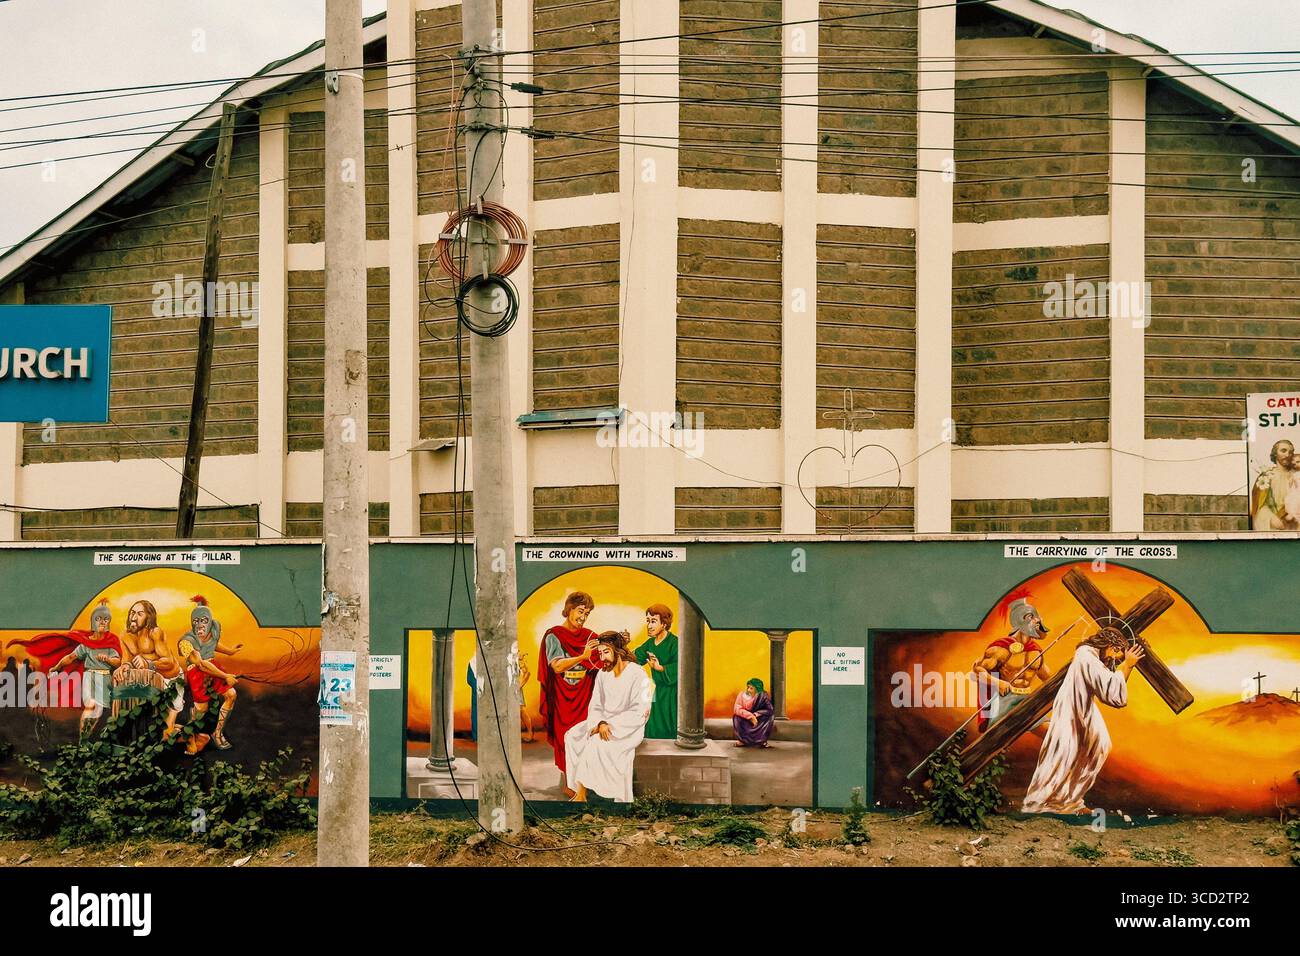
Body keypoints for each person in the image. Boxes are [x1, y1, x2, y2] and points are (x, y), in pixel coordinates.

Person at [1021, 628, 1144, 814]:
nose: (1114, 659)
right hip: (1072, 708)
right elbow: (1111, 692)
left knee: (1099, 744)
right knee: (1064, 751)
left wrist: (1126, 665)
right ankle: (1039, 802)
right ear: (1110, 645)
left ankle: (1070, 801)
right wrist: (1127, 665)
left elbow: (1111, 689)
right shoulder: (1086, 655)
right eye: (1116, 653)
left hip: (1083, 706)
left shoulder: (1092, 657)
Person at [564, 631, 653, 803]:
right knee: (572, 736)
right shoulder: (603, 673)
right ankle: (580, 790)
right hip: (602, 722)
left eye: (606, 652)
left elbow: (640, 711)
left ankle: (581, 795)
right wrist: (600, 722)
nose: (602, 657)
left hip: (627, 728)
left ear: (618, 651)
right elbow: (595, 705)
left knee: (595, 743)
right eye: (600, 653)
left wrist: (609, 725)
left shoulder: (638, 674)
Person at [537, 591, 599, 793]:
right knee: (565, 738)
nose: (583, 617)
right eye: (580, 611)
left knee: (584, 738)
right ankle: (569, 783)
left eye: (587, 613)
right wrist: (583, 657)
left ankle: (582, 784)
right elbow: (556, 666)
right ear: (569, 609)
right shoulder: (554, 635)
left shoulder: (590, 636)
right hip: (562, 698)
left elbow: (600, 661)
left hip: (585, 696)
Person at [973, 596, 1052, 732]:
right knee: (1050, 731)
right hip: (1004, 702)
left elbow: (1048, 679)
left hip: (1026, 700)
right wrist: (998, 683)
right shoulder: (1000, 649)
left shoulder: (1036, 652)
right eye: (1031, 617)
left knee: (1055, 730)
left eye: (1037, 617)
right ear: (1021, 621)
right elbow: (977, 671)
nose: (1037, 621)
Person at [177, 596, 243, 753]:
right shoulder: (186, 642)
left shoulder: (212, 631)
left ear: (210, 621)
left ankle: (217, 733)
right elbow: (201, 665)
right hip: (198, 673)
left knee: (231, 694)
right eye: (196, 621)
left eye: (204, 620)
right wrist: (225, 676)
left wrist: (230, 651)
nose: (199, 625)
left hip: (214, 668)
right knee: (201, 710)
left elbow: (212, 643)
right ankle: (192, 736)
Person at [48, 601, 122, 741]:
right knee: (90, 705)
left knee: (99, 711)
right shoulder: (86, 644)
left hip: (105, 679)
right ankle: (83, 740)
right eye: (98, 618)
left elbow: (118, 662)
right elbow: (70, 657)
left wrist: (107, 659)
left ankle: (86, 739)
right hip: (90, 677)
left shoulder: (112, 641)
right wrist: (57, 668)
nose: (102, 622)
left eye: (105, 619)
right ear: (93, 621)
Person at [117, 599, 184, 740]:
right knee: (153, 727)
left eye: (139, 614)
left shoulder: (155, 632)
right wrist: (123, 667)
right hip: (149, 683)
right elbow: (126, 659)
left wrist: (148, 664)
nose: (133, 618)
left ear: (148, 617)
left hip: (171, 681)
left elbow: (169, 663)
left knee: (166, 735)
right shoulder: (124, 635)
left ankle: (194, 736)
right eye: (132, 613)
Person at [633, 603, 678, 739]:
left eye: (653, 621)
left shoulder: (675, 643)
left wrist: (661, 668)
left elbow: (682, 667)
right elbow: (634, 657)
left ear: (664, 624)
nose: (649, 625)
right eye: (648, 621)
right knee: (653, 728)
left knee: (670, 727)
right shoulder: (650, 643)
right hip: (657, 692)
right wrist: (622, 644)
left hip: (672, 694)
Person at [1251, 439, 1298, 530]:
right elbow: (1259, 506)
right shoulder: (1266, 477)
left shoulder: (1297, 476)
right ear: (1275, 453)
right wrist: (1271, 518)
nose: (1287, 455)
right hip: (1275, 525)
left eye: (1291, 452)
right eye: (1283, 451)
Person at [733, 677, 775, 747]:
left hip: (758, 719)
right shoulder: (741, 695)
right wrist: (750, 716)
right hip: (745, 718)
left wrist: (756, 714)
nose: (748, 690)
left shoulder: (763, 696)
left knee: (770, 716)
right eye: (748, 687)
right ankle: (743, 740)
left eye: (751, 688)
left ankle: (761, 741)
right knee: (736, 717)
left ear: (757, 690)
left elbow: (769, 709)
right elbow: (737, 709)